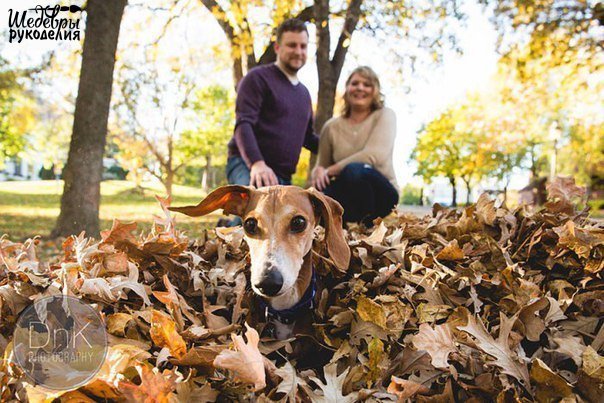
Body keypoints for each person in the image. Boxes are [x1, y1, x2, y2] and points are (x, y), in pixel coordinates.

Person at [226, 18, 318, 190]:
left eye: (303, 46)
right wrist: (257, 164)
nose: (298, 51)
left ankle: (228, 220)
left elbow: (308, 138)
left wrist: (342, 146)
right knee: (258, 208)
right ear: (277, 47)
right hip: (247, 164)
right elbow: (243, 124)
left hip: (283, 176)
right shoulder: (257, 78)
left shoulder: (304, 94)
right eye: (292, 45)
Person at [311, 66, 399, 227]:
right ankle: (340, 231)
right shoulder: (331, 127)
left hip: (381, 194)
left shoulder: (385, 115)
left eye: (367, 84)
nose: (360, 88)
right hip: (347, 194)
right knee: (316, 200)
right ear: (347, 89)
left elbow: (374, 155)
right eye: (355, 83)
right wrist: (317, 172)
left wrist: (329, 170)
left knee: (354, 170)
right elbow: (321, 167)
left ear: (376, 91)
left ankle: (368, 229)